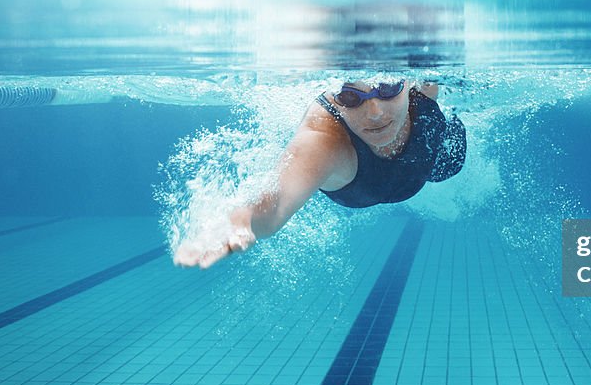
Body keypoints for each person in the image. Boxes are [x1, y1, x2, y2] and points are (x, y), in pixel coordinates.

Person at [173, 79, 466, 269]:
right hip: (367, 183)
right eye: (351, 97)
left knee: (450, 163)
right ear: (334, 94)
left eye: (388, 88)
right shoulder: (324, 139)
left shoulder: (421, 89)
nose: (375, 112)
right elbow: (274, 203)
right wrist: (245, 221)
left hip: (430, 160)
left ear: (407, 81)